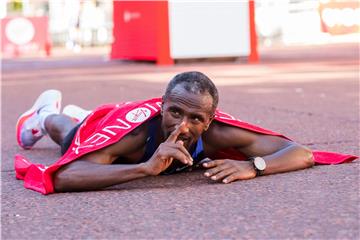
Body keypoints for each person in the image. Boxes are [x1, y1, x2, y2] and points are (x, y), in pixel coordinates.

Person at [15, 71, 320, 193]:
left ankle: (77, 113)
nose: (183, 126)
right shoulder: (134, 136)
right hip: (118, 126)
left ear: (210, 120)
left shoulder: (218, 133)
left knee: (84, 122)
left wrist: (254, 166)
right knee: (70, 133)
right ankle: (45, 115)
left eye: (196, 118)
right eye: (175, 112)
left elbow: (302, 153)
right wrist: (143, 169)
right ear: (161, 106)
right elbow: (64, 175)